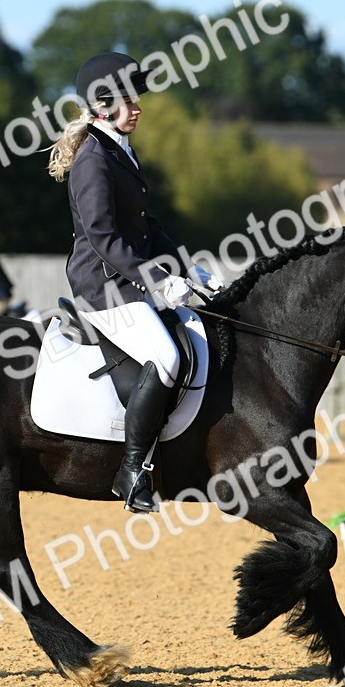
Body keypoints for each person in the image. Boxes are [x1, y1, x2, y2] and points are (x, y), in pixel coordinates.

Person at [47, 51, 223, 514]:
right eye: (129, 99)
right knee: (164, 355)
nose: (138, 106)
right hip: (102, 284)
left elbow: (148, 227)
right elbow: (104, 237)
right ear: (104, 105)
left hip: (127, 277)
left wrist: (186, 267)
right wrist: (158, 281)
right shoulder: (93, 160)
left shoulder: (118, 149)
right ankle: (131, 470)